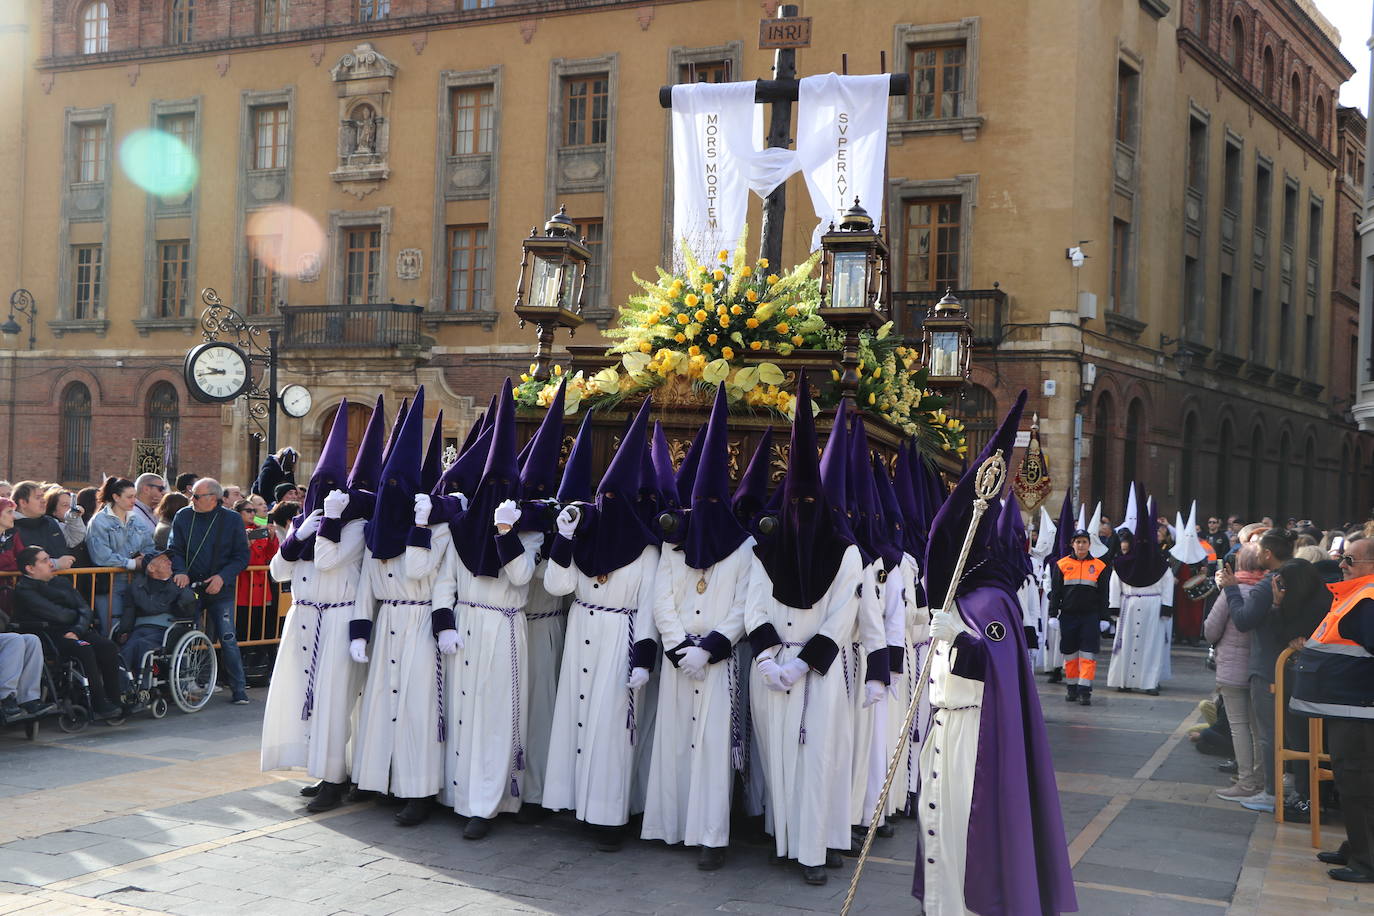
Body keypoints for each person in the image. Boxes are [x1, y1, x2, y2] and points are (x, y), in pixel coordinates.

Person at [913, 389, 1077, 915]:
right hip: (943, 725)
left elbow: (995, 667)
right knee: (936, 827)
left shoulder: (992, 602)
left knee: (966, 831)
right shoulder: (959, 596)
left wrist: (957, 638)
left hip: (975, 735)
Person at [744, 373, 858, 885]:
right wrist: (769, 660)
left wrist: (802, 665)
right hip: (774, 671)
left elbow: (841, 618)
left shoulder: (845, 553)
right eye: (794, 506)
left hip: (817, 671)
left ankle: (816, 848)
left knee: (818, 761)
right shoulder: (765, 551)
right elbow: (753, 607)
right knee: (780, 759)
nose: (801, 515)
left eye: (809, 506)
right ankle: (787, 837)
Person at [642, 386, 755, 870]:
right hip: (678, 660)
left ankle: (710, 835)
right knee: (672, 741)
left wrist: (708, 648)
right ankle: (669, 825)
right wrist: (676, 647)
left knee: (710, 748)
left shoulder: (744, 547)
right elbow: (661, 598)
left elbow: (744, 607)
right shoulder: (674, 545)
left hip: (715, 660)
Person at [543, 396, 662, 853]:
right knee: (575, 720)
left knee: (612, 727)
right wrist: (566, 538)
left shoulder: (647, 550)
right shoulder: (586, 535)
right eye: (602, 498)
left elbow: (650, 605)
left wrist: (644, 659)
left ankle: (609, 815)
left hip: (619, 637)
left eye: (615, 500)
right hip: (581, 630)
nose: (606, 506)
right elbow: (557, 586)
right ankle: (573, 802)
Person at [427, 381, 544, 840]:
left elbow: (520, 578)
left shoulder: (526, 534)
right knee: (462, 713)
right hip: (467, 627)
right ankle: (459, 794)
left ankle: (490, 802)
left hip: (505, 625)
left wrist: (504, 533)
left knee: (497, 716)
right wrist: (444, 626)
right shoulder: (460, 531)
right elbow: (444, 584)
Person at [263, 395, 381, 813]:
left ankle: (337, 777)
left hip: (339, 618)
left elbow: (330, 559)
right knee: (305, 698)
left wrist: (330, 522)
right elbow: (278, 571)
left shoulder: (357, 528)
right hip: (304, 619)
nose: (322, 495)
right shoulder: (304, 523)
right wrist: (296, 536)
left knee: (335, 701)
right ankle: (324, 769)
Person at [349, 388, 460, 827]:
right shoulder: (374, 532)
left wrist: (418, 527)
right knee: (380, 703)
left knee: (417, 707)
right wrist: (360, 631)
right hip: (388, 621)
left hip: (418, 624)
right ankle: (380, 777)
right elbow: (364, 588)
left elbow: (427, 577)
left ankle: (419, 789)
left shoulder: (438, 531)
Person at [1290, 536, 1374, 883]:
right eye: (1342, 558)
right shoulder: (1356, 594)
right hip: (1346, 707)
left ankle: (1366, 860)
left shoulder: (1369, 599)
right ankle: (1357, 847)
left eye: (1350, 560)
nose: (1341, 564)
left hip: (1360, 711)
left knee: (1359, 784)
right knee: (1349, 780)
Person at [1216, 527, 1296, 813]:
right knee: (1266, 729)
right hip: (1275, 664)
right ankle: (1273, 784)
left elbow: (1241, 621)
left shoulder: (1266, 584)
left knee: (1260, 730)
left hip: (1262, 666)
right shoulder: (1285, 579)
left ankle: (1264, 788)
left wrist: (1230, 590)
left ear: (1268, 553)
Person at [12, 547, 126, 718]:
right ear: (30, 568)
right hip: (51, 636)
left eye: (49, 558)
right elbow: (58, 615)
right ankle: (98, 703)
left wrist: (77, 629)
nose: (51, 563)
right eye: (44, 561)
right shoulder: (24, 589)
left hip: (75, 631)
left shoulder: (61, 582)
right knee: (85, 649)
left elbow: (86, 609)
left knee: (107, 646)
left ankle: (116, 700)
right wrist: (75, 615)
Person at [167, 478, 251, 705]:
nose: (191, 499)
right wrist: (180, 571)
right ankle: (185, 686)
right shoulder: (183, 515)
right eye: (191, 495)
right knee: (185, 636)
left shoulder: (232, 519)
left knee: (227, 637)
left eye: (196, 495)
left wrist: (223, 577)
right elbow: (174, 548)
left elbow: (242, 557)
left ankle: (239, 689)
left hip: (220, 587)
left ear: (213, 499)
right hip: (190, 587)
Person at [1206, 544, 1264, 801]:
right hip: (1260, 668)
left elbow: (1210, 629)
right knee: (1259, 728)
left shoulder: (1233, 590)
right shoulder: (1268, 591)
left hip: (1232, 668)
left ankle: (1246, 781)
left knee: (1239, 727)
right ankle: (1263, 779)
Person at [1105, 497, 1175, 696]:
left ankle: (1149, 682)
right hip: (1129, 604)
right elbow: (1115, 583)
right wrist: (1114, 606)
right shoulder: (1123, 563)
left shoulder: (1161, 564)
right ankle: (1123, 680)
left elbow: (1168, 585)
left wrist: (1166, 608)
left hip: (1153, 607)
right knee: (1125, 643)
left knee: (1151, 646)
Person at [86, 477, 157, 634]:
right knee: (113, 629)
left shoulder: (136, 519)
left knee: (135, 628)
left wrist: (145, 558)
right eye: (129, 497)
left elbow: (149, 545)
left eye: (134, 496)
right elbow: (101, 556)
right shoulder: (99, 521)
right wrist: (132, 563)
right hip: (111, 583)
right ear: (116, 497)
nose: (134, 500)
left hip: (137, 581)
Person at [1048, 527, 1110, 705]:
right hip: (1068, 616)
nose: (1081, 545)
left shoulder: (1099, 566)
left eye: (1084, 542)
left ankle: (1085, 690)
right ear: (1072, 544)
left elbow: (1103, 595)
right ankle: (1071, 687)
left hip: (1090, 617)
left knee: (1088, 654)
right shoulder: (1061, 564)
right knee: (1070, 653)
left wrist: (1105, 617)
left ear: (1089, 544)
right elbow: (1056, 592)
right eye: (1078, 542)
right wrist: (1053, 614)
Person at [117, 550, 195, 671]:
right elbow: (129, 611)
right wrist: (124, 631)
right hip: (140, 629)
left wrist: (186, 593)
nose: (170, 563)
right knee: (126, 649)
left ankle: (143, 686)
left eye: (169, 560)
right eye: (164, 560)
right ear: (151, 567)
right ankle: (124, 686)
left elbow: (188, 608)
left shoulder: (178, 584)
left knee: (142, 645)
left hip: (166, 630)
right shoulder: (136, 586)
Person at [234, 499, 279, 644]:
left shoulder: (260, 530)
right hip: (242, 585)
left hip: (261, 585)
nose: (252, 513)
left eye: (254, 510)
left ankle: (256, 655)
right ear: (238, 513)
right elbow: (239, 558)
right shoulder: (234, 530)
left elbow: (270, 556)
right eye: (248, 511)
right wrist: (246, 544)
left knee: (258, 625)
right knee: (241, 624)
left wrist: (272, 538)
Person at [11, 481, 75, 571]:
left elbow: (73, 539)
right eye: (38, 498)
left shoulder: (50, 522)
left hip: (59, 581)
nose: (44, 500)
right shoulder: (10, 527)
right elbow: (20, 562)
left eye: (43, 496)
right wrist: (55, 564)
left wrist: (75, 519)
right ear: (23, 503)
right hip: (30, 584)